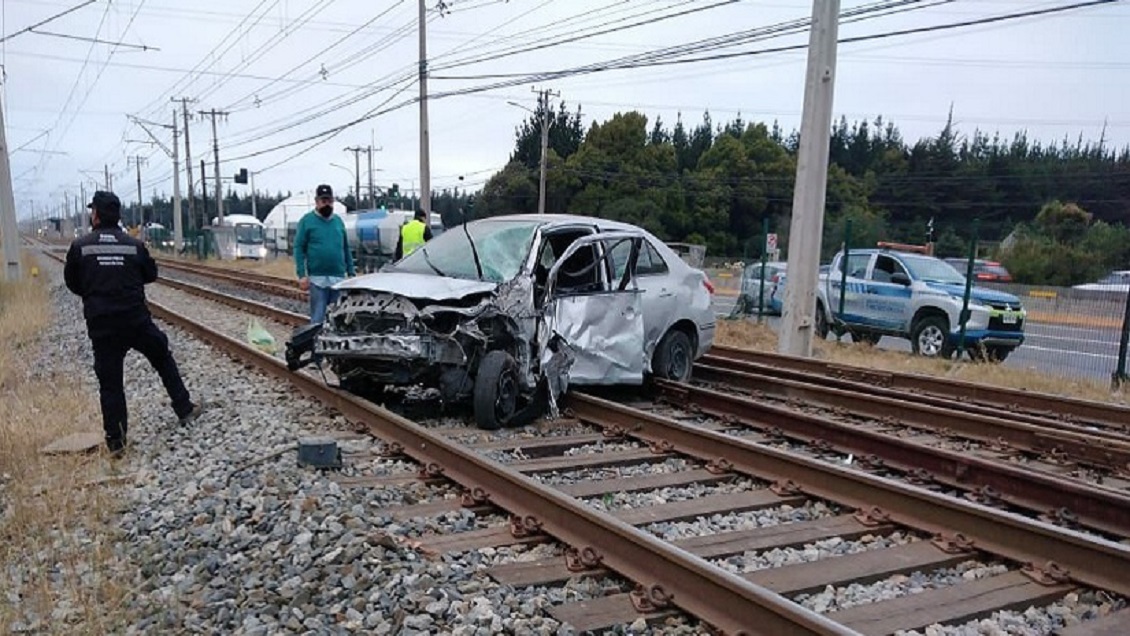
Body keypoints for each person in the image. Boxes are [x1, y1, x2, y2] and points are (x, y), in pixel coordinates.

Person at [63, 191, 202, 456]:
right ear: (116, 215)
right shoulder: (133, 245)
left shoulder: (81, 246)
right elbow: (151, 274)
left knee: (111, 383)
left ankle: (116, 443)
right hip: (135, 320)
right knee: (161, 355)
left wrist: (95, 293)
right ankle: (184, 408)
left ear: (96, 215)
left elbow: (72, 281)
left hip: (102, 325)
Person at [294, 184, 356, 323]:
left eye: (329, 201)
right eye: (323, 201)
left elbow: (345, 248)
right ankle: (316, 342)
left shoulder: (338, 222)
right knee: (318, 318)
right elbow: (299, 248)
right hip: (317, 279)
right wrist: (302, 275)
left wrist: (351, 272)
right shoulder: (307, 221)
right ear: (317, 201)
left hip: (338, 279)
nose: (327, 204)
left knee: (338, 319)